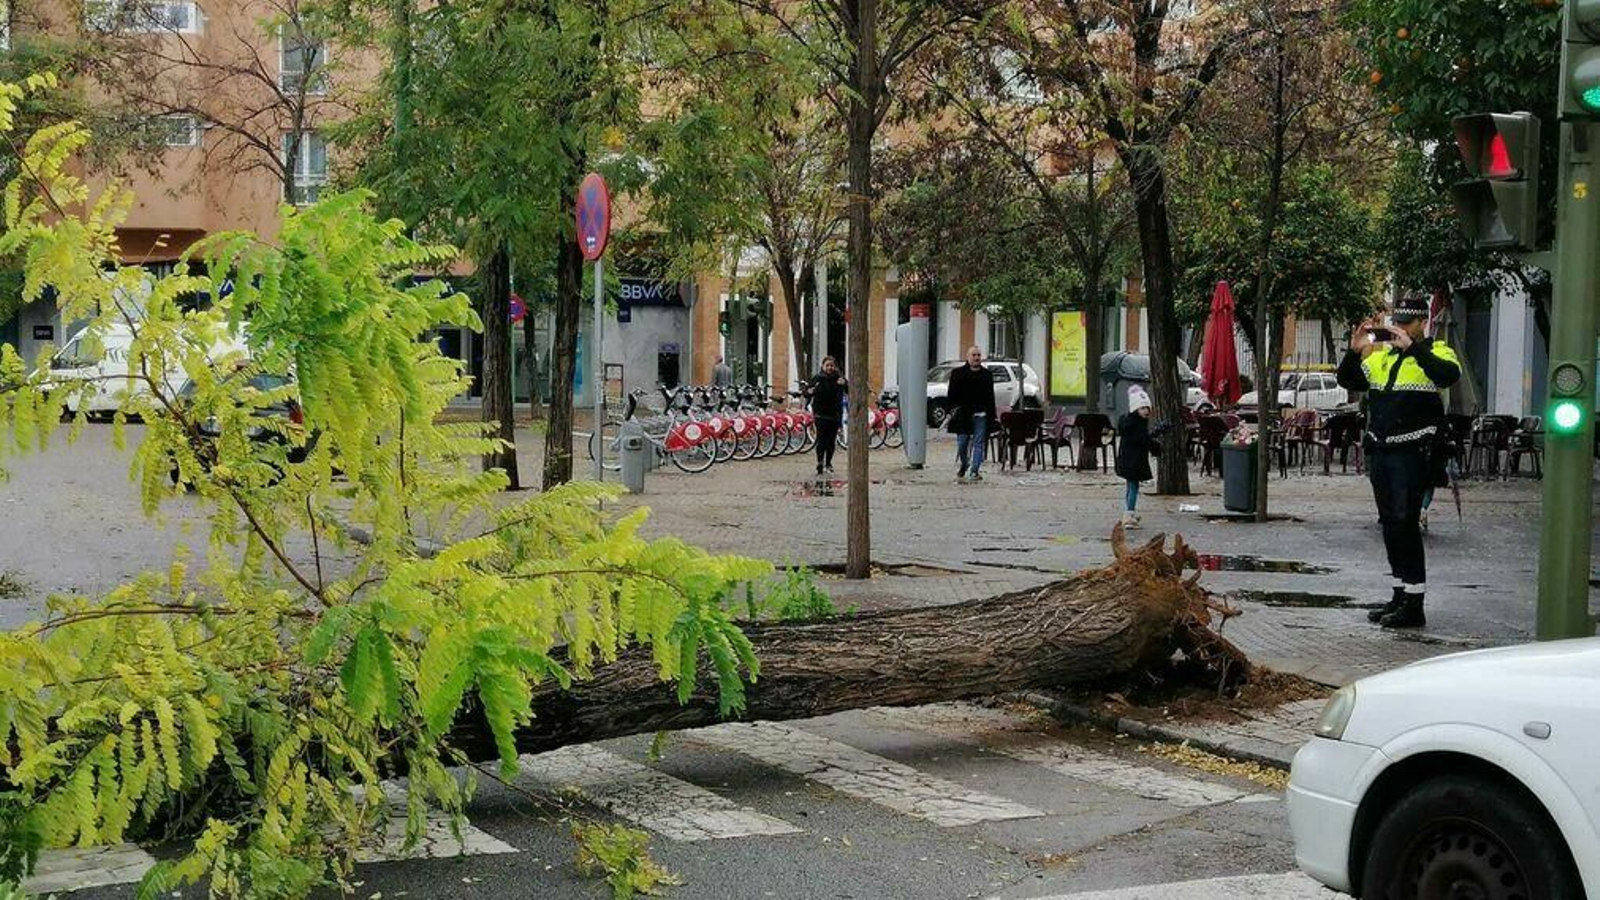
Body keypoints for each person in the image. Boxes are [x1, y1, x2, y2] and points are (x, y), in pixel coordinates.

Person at [1337, 295, 1461, 629]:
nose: (1401, 329)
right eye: (1398, 324)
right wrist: (1354, 351)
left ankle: (1415, 603)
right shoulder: (1382, 358)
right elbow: (1349, 381)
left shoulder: (1437, 353)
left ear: (1423, 323)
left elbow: (1447, 375)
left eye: (1407, 324)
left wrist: (1414, 349)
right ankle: (1399, 593)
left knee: (1406, 523)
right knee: (1390, 524)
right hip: (1382, 451)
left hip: (1414, 451)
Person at [1115, 387, 1166, 529]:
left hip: (1128, 459)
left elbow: (1142, 438)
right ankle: (1128, 516)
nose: (1146, 411)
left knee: (1130, 486)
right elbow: (1143, 441)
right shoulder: (1137, 424)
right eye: (1142, 408)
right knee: (1133, 487)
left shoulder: (1131, 422)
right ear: (1135, 409)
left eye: (1147, 408)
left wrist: (1154, 434)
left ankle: (1128, 512)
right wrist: (1156, 446)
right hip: (1133, 461)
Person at [946, 346, 997, 482]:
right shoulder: (958, 373)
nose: (976, 358)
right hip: (963, 415)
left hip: (981, 415)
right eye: (974, 355)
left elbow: (990, 397)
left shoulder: (987, 375)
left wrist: (992, 416)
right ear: (967, 357)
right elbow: (951, 394)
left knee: (979, 443)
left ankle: (974, 470)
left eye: (978, 355)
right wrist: (950, 411)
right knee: (962, 443)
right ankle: (964, 463)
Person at [805, 356, 846, 476]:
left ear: (835, 367)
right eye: (827, 365)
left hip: (834, 414)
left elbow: (849, 389)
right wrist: (809, 392)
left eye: (831, 365)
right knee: (821, 439)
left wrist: (845, 384)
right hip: (820, 414)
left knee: (831, 440)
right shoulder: (817, 378)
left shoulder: (839, 378)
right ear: (823, 366)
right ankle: (819, 462)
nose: (829, 368)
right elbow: (806, 392)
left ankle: (828, 463)